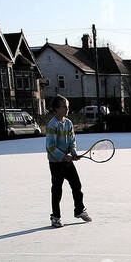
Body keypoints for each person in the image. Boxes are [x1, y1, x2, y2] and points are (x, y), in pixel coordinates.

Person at [45, 96, 91, 227]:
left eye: (67, 107)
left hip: (67, 162)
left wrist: (74, 153)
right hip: (55, 163)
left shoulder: (68, 123)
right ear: (56, 109)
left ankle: (79, 210)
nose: (67, 109)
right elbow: (51, 146)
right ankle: (55, 217)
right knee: (57, 190)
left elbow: (72, 141)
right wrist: (64, 156)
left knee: (77, 185)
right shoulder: (52, 124)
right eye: (64, 107)